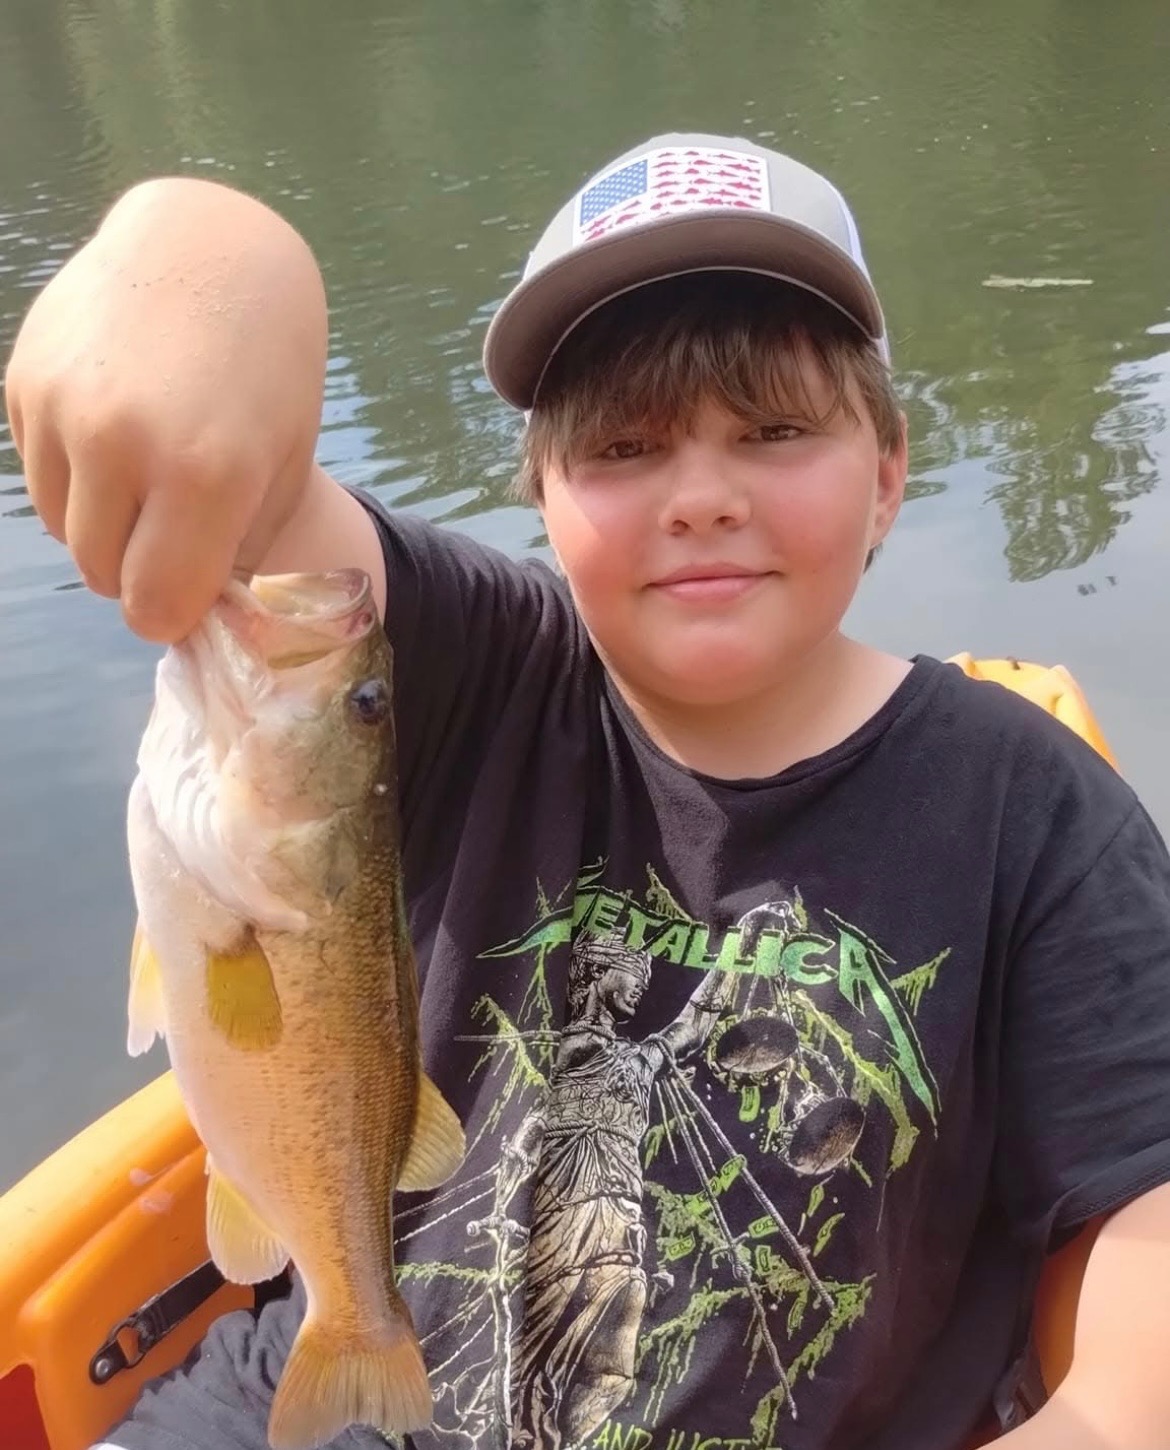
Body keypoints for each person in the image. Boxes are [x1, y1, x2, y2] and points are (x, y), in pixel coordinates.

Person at [6, 131, 1170, 1450]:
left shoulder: (1030, 814)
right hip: (302, 1406)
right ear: (543, 498)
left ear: (889, 473)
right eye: (621, 447)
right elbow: (259, 502)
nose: (701, 497)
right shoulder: (480, 666)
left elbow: (1140, 1309)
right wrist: (197, 266)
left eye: (776, 431)